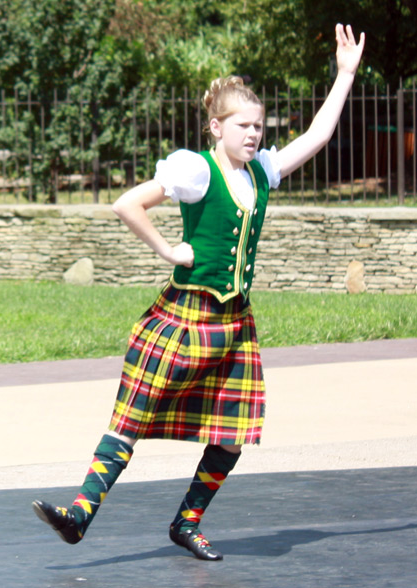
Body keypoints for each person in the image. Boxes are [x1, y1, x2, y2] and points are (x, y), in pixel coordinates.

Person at [32, 24, 365, 561]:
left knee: (233, 433)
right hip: (183, 318)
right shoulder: (196, 169)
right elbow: (127, 203)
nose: (254, 133)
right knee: (131, 419)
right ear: (217, 126)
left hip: (233, 324)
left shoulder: (261, 172)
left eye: (259, 125)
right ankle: (79, 514)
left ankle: (186, 521)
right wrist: (168, 249)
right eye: (243, 125)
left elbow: (317, 137)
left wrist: (345, 74)